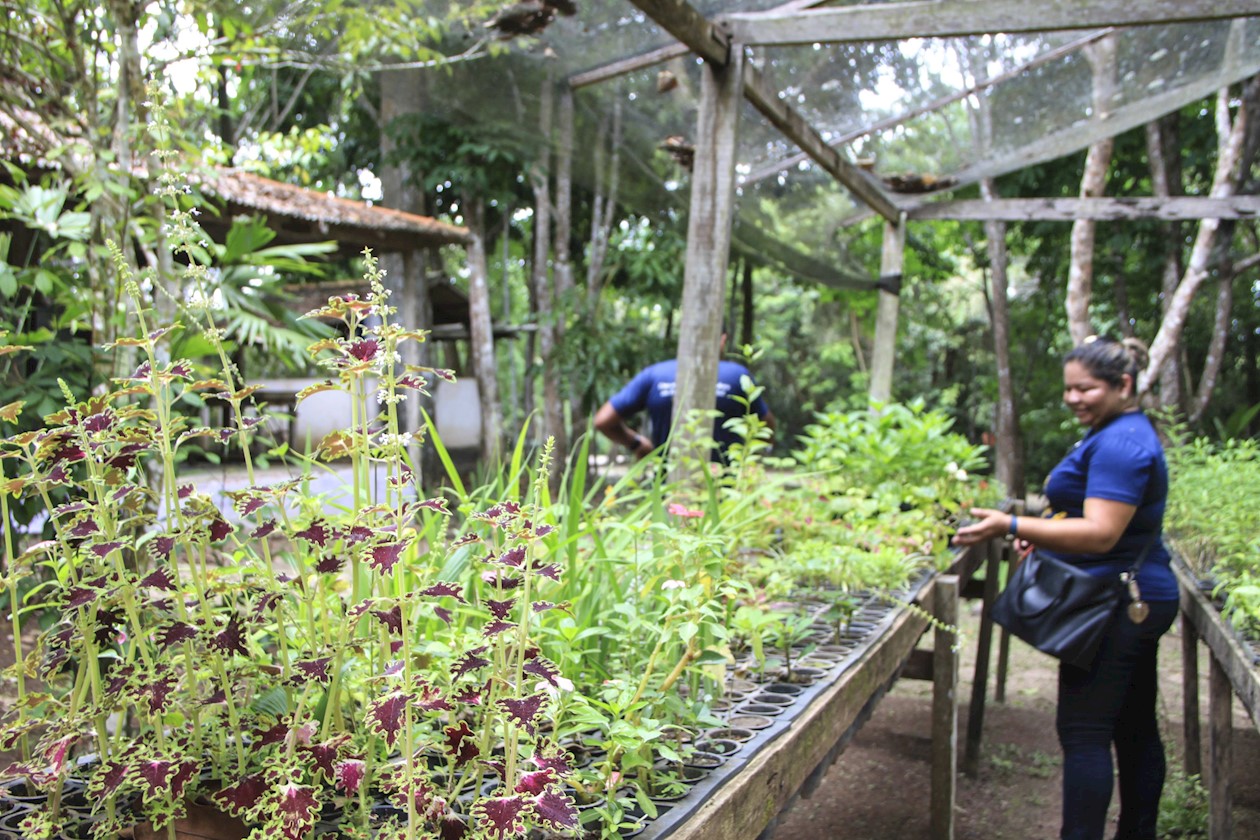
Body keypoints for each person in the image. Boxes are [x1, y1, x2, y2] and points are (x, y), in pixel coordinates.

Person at [953, 335, 1179, 840]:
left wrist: (1012, 526)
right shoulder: (1115, 429)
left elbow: (1101, 532)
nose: (1075, 398)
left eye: (1087, 389)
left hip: (1116, 603)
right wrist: (1045, 533)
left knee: (1085, 733)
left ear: (1123, 385)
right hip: (1130, 596)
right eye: (1069, 390)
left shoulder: (1121, 443)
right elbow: (1085, 516)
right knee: (1133, 726)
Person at [594, 330, 775, 462]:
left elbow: (602, 420)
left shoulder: (655, 374)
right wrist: (758, 455)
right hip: (728, 491)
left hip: (669, 490)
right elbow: (766, 423)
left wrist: (637, 444)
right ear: (723, 340)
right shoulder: (737, 375)